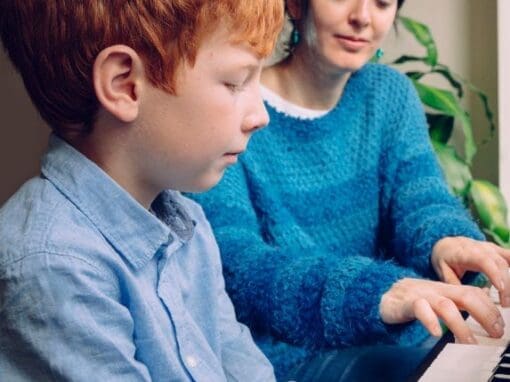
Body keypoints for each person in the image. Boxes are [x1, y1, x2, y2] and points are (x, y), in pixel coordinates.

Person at [188, 0, 510, 380]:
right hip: (295, 361)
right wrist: (372, 294)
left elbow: (420, 200)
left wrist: (447, 242)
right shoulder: (234, 109)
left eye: (382, 2)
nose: (362, 17)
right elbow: (238, 267)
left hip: (408, 340)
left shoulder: (389, 95)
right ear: (295, 5)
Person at [0, 1, 284, 381]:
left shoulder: (190, 223)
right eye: (236, 82)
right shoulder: (55, 265)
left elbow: (242, 365)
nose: (260, 115)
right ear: (125, 85)